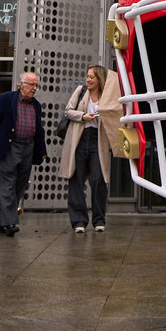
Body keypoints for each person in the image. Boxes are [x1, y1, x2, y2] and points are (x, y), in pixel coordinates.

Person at [0, 70, 46, 237]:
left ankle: (2, 222)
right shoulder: (6, 99)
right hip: (10, 146)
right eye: (32, 85)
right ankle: (10, 222)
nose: (34, 88)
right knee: (7, 184)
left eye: (36, 85)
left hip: (28, 147)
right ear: (22, 85)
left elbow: (39, 129)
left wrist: (42, 151)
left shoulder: (36, 105)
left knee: (20, 184)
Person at [62, 64, 119, 234]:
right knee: (76, 180)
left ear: (99, 79)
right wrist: (83, 116)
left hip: (98, 140)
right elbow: (68, 111)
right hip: (80, 140)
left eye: (91, 77)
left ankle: (99, 219)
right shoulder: (80, 91)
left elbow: (115, 112)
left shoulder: (106, 96)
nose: (88, 79)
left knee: (98, 180)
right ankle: (78, 221)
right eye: (87, 76)